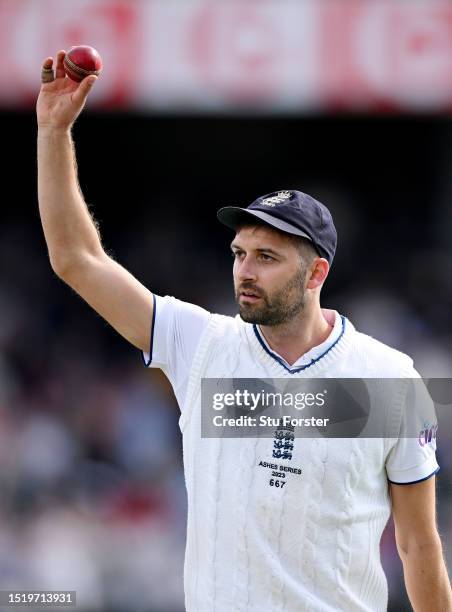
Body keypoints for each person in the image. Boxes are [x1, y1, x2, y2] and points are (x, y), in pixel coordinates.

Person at [37, 52, 452, 612]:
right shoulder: (200, 344)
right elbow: (76, 260)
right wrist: (53, 131)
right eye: (238, 254)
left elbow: (417, 544)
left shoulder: (390, 380)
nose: (244, 271)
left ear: (316, 273)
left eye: (266, 257)